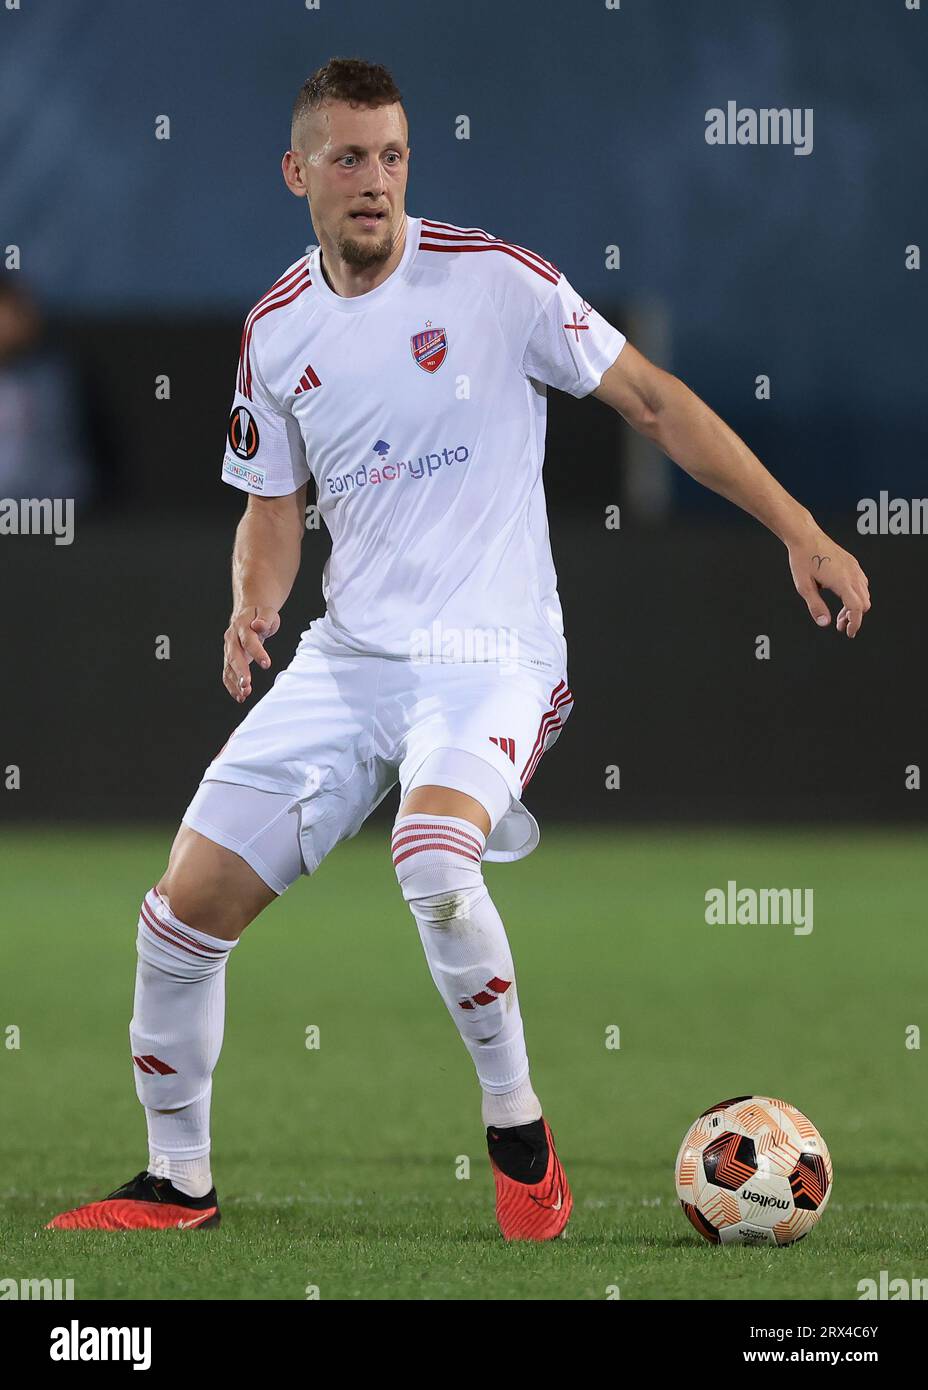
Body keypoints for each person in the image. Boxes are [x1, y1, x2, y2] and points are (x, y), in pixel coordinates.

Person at [49, 58, 870, 1239]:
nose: (372, 180)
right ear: (298, 173)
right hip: (348, 658)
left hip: (492, 653)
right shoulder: (275, 331)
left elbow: (652, 402)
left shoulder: (497, 280)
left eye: (389, 155)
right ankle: (178, 1181)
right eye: (345, 157)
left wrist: (797, 529)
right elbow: (272, 505)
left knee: (432, 859)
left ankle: (518, 1133)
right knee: (178, 918)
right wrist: (251, 604)